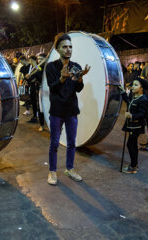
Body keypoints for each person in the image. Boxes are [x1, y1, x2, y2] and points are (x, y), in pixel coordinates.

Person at [45, 33, 90, 185]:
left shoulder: (75, 66)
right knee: (55, 143)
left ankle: (69, 169)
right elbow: (53, 88)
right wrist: (62, 78)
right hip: (57, 111)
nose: (68, 49)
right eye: (65, 47)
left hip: (71, 110)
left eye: (70, 47)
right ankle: (52, 172)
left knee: (72, 142)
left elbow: (78, 89)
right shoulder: (51, 67)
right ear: (58, 49)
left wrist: (80, 80)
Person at [119, 79, 148, 174]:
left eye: (136, 85)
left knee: (130, 144)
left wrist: (131, 116)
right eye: (133, 85)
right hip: (131, 125)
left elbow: (143, 113)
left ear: (142, 88)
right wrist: (123, 92)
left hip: (136, 126)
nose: (133, 87)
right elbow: (128, 101)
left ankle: (133, 166)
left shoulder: (143, 99)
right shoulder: (134, 96)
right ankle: (134, 164)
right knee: (133, 144)